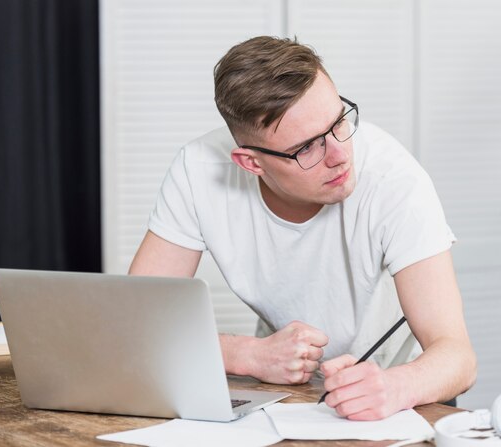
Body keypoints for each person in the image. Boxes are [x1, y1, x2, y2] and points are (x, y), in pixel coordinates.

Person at [129, 36, 477, 421]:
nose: (341, 155)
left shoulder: (395, 181)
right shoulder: (198, 173)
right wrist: (245, 354)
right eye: (308, 147)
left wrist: (396, 386)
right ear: (251, 163)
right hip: (280, 386)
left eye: (339, 121)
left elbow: (458, 357)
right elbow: (137, 323)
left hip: (400, 389)